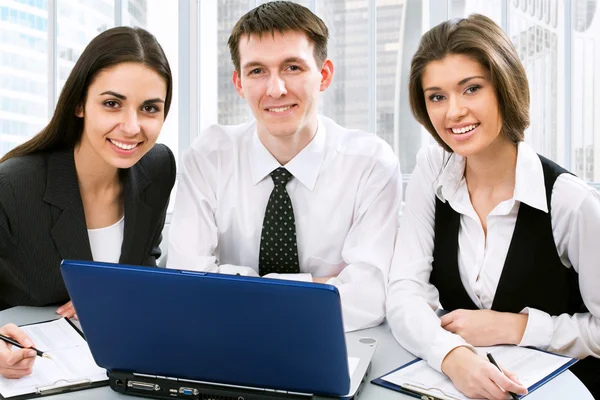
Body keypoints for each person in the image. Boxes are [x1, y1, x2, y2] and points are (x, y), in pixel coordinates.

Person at [386, 13, 600, 399]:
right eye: (437, 96)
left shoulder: (569, 200)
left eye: (471, 89)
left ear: (504, 86)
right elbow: (404, 291)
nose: (453, 112)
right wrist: (452, 356)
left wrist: (516, 327)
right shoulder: (432, 170)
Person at [167, 1, 402, 332]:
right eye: (257, 71)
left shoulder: (371, 164)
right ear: (239, 83)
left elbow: (369, 298)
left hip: (330, 338)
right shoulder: (209, 157)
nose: (275, 89)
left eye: (292, 67)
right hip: (227, 334)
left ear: (323, 75)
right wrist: (324, 285)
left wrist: (234, 285)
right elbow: (186, 281)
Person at [0, 26, 175, 378]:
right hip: (37, 373)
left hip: (122, 366)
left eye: (149, 108)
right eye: (112, 104)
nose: (131, 126)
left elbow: (144, 267)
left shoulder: (158, 167)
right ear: (79, 103)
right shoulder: (13, 185)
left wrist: (110, 298)